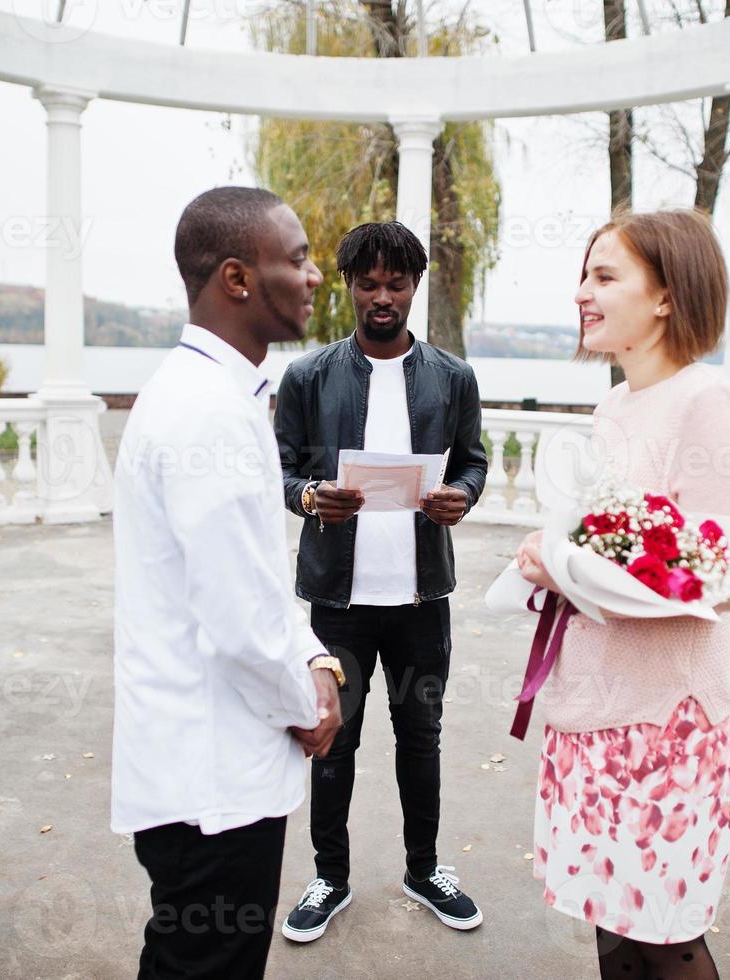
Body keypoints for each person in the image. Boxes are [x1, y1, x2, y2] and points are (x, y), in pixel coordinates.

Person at [515, 209, 730, 980]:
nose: (582, 294)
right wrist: (557, 558)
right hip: (595, 707)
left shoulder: (705, 403)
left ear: (665, 296)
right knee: (611, 924)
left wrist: (568, 568)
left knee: (664, 937)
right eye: (583, 276)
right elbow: (618, 538)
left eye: (604, 275)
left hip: (667, 725)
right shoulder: (615, 406)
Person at [111, 186, 346, 980]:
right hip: (209, 775)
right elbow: (236, 617)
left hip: (209, 759)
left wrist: (313, 654)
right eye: (301, 258)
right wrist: (307, 703)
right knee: (205, 965)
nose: (317, 276)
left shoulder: (217, 392)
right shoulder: (205, 411)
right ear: (238, 279)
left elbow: (251, 577)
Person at [273, 221, 489, 942]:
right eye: (368, 284)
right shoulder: (308, 377)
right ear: (348, 287)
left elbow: (473, 463)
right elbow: (279, 472)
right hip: (338, 600)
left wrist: (462, 495)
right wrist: (309, 497)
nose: (382, 297)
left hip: (422, 599)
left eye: (396, 283)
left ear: (414, 286)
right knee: (333, 740)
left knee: (419, 736)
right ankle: (329, 877)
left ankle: (423, 869)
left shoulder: (452, 377)